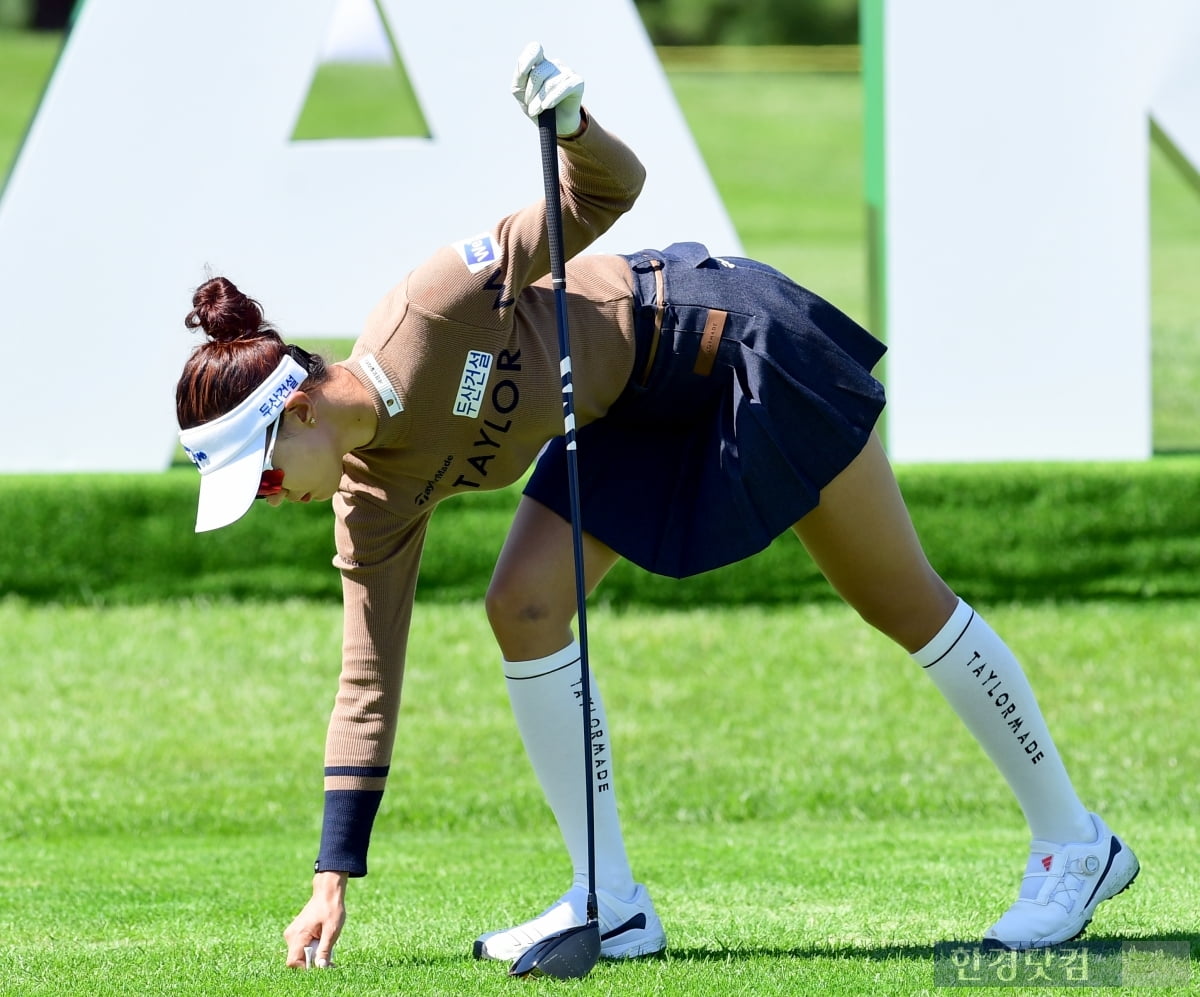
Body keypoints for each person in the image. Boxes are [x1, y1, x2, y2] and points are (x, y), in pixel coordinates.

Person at [173, 43, 1139, 968]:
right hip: (626, 419)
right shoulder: (366, 501)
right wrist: (331, 872)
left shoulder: (431, 305)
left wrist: (574, 123)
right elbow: (366, 680)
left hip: (727, 344)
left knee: (901, 597)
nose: (271, 500)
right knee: (523, 603)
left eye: (261, 476)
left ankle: (1074, 839)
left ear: (296, 409)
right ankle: (610, 896)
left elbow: (607, 191)